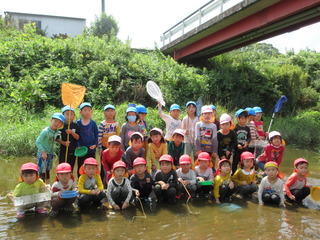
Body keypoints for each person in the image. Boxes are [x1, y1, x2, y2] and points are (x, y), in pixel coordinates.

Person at [36, 112, 65, 184]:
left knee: (47, 170)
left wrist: (64, 143)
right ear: (51, 120)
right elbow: (38, 142)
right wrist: (43, 152)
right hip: (43, 153)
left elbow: (56, 139)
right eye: (55, 121)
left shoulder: (57, 132)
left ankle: (48, 184)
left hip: (50, 153)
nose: (56, 123)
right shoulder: (45, 131)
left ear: (61, 125)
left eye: (59, 123)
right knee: (42, 171)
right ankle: (41, 185)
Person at [98, 104, 120, 182]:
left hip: (114, 148)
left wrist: (118, 147)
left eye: (112, 111)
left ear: (114, 112)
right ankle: (102, 183)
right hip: (104, 146)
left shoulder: (116, 123)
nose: (110, 113)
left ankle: (114, 181)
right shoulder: (102, 124)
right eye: (108, 111)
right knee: (103, 165)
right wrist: (100, 148)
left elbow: (118, 135)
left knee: (114, 165)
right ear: (104, 113)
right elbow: (99, 136)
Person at [76, 102, 98, 177]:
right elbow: (77, 135)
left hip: (91, 148)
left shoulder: (93, 123)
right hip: (81, 149)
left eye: (89, 110)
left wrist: (95, 144)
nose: (87, 112)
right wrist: (78, 145)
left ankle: (91, 181)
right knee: (81, 166)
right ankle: (80, 181)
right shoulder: (78, 122)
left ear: (91, 112)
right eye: (85, 110)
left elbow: (96, 134)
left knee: (92, 166)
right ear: (81, 112)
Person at [56, 106, 80, 172]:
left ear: (74, 116)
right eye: (67, 114)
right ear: (63, 115)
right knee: (62, 166)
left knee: (70, 167)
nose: (69, 116)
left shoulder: (76, 125)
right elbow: (57, 138)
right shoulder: (61, 126)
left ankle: (70, 180)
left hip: (73, 150)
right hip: (63, 149)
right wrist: (64, 143)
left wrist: (72, 132)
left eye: (71, 114)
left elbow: (78, 137)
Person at [195, 105, 218, 171]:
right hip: (201, 149)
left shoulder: (213, 126)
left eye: (209, 113)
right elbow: (197, 137)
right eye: (205, 113)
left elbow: (215, 139)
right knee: (200, 165)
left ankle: (210, 178)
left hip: (210, 150)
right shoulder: (198, 124)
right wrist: (198, 149)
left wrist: (215, 151)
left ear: (212, 114)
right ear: (202, 114)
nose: (207, 115)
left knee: (210, 165)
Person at [233, 109, 251, 174]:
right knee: (235, 161)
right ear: (238, 118)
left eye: (245, 118)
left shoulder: (247, 128)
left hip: (245, 148)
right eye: (242, 118)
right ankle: (233, 174)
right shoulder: (235, 127)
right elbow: (234, 138)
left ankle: (244, 173)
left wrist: (247, 142)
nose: (244, 120)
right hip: (237, 148)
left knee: (244, 162)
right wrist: (237, 144)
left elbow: (249, 137)